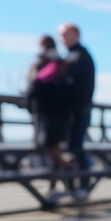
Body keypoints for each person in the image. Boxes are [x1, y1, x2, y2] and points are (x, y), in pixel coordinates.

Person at [26, 34, 71, 195]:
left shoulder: (40, 63)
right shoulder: (61, 63)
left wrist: (28, 105)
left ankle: (61, 180)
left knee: (47, 146)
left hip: (44, 111)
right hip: (59, 112)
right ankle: (62, 181)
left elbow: (32, 86)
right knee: (53, 147)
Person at [59, 22, 96, 202]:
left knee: (76, 148)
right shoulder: (76, 56)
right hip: (76, 112)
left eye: (64, 35)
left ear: (75, 34)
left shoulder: (79, 57)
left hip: (77, 113)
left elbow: (78, 88)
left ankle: (82, 187)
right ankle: (73, 187)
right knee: (71, 149)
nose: (61, 39)